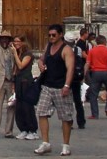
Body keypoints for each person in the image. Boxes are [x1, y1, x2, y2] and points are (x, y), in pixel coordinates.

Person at [33, 23, 75, 157]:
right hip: (47, 86)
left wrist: (67, 86)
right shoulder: (48, 46)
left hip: (61, 86)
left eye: (53, 35)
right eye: (49, 35)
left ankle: (66, 145)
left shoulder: (66, 49)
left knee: (65, 117)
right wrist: (40, 64)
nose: (51, 37)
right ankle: (45, 143)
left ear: (60, 35)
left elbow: (70, 69)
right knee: (41, 112)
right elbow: (41, 59)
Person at [12, 35, 39, 141]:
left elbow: (21, 66)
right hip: (18, 82)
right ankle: (23, 129)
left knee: (27, 107)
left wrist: (14, 54)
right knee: (19, 108)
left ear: (23, 42)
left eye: (18, 41)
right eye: (14, 41)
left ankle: (33, 130)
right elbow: (15, 69)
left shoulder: (28, 54)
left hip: (26, 82)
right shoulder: (19, 54)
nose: (16, 43)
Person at [85, 35, 107, 118]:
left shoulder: (92, 51)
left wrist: (84, 73)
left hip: (96, 72)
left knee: (93, 94)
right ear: (104, 42)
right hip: (106, 72)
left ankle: (95, 114)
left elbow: (87, 63)